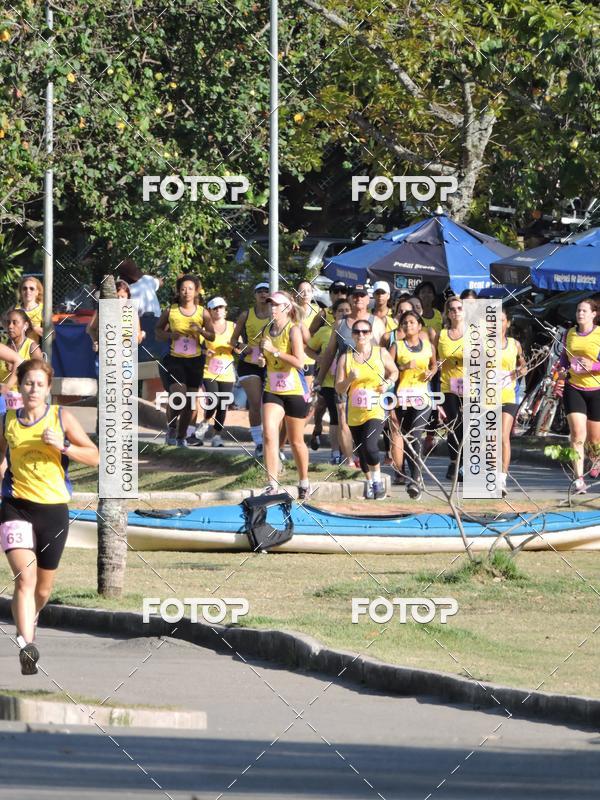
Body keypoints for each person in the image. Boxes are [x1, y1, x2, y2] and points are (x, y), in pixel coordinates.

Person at [0, 359, 99, 675]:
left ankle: (29, 619)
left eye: (39, 384)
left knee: (41, 590)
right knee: (24, 578)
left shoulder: (60, 417)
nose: (33, 389)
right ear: (20, 385)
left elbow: (96, 456)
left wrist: (65, 446)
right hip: (15, 507)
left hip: (54, 511)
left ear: (47, 389)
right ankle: (27, 646)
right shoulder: (7, 421)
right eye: (28, 382)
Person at [317, 285, 386, 465]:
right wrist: (319, 378)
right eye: (355, 295)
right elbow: (330, 352)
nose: (358, 299)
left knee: (366, 420)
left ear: (367, 298)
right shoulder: (340, 323)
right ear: (350, 298)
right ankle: (348, 460)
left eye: (362, 295)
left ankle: (367, 454)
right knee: (342, 417)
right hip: (344, 379)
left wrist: (389, 380)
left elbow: (384, 353)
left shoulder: (376, 322)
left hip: (370, 383)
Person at [336, 319, 398, 499]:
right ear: (353, 335)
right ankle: (370, 482)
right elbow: (339, 388)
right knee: (362, 452)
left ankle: (377, 482)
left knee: (371, 446)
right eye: (357, 332)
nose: (361, 335)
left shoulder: (381, 352)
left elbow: (394, 371)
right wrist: (349, 380)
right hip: (355, 411)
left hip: (375, 409)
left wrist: (388, 383)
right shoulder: (345, 358)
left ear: (370, 334)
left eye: (365, 331)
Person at [258, 291, 310, 499]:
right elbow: (262, 356)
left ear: (286, 308)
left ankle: (304, 481)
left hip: (295, 390)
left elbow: (300, 362)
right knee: (269, 435)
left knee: (296, 441)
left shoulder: (293, 330)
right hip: (273, 390)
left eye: (276, 305)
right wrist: (262, 358)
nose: (272, 308)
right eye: (270, 304)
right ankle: (273, 484)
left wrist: (276, 352)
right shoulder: (266, 329)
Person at [155, 275, 214, 446]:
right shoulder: (170, 311)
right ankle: (172, 427)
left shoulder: (203, 312)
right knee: (178, 396)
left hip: (195, 360)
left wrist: (201, 331)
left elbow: (212, 335)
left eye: (190, 288)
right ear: (178, 291)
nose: (186, 292)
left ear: (196, 291)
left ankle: (181, 437)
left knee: (190, 402)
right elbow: (157, 331)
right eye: (183, 289)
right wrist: (170, 335)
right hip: (175, 359)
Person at [390, 311, 438, 500]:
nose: (408, 325)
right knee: (408, 438)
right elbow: (388, 369)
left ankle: (416, 479)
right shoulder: (397, 346)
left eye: (412, 322)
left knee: (417, 435)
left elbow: (435, 365)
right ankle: (414, 476)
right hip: (402, 398)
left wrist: (431, 372)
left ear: (419, 326)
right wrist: (403, 367)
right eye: (405, 322)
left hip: (422, 397)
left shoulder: (429, 346)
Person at [557, 298, 600, 494]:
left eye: (584, 311)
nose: (580, 314)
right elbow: (564, 359)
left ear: (593, 314)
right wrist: (562, 370)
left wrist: (593, 366)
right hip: (574, 387)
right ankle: (578, 479)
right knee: (577, 435)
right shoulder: (569, 334)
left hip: (596, 389)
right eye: (578, 311)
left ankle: (595, 460)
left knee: (594, 439)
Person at [306, 297, 352, 465]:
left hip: (351, 382)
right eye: (341, 310)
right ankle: (335, 453)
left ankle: (349, 451)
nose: (345, 313)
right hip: (329, 381)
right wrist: (319, 358)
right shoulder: (325, 331)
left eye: (348, 310)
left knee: (348, 418)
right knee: (335, 417)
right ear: (333, 313)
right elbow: (308, 348)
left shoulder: (356, 330)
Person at [230, 283, 271, 457]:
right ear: (254, 295)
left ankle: (272, 440)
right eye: (259, 291)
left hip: (271, 363)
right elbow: (232, 341)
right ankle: (259, 442)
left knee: (269, 404)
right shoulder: (246, 315)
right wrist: (241, 345)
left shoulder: (275, 315)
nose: (263, 294)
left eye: (266, 291)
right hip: (249, 362)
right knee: (255, 402)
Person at [195, 297, 236, 447]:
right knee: (213, 401)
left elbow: (239, 347)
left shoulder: (233, 326)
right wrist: (205, 351)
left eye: (221, 307)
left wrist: (238, 347)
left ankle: (217, 436)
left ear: (226, 310)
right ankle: (205, 423)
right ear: (210, 312)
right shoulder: (205, 328)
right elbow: (197, 347)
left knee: (222, 405)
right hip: (209, 371)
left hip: (227, 371)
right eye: (215, 308)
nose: (218, 310)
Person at [497, 308, 527, 497]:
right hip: (488, 395)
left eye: (501, 320)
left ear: (507, 323)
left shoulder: (514, 344)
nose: (498, 324)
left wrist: (520, 371)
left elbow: (522, 365)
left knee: (502, 435)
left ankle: (502, 478)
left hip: (508, 394)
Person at [438, 296, 465, 481]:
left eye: (459, 308)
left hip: (471, 385)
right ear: (448, 313)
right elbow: (436, 361)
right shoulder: (441, 335)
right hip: (448, 385)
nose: (456, 312)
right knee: (454, 424)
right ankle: (455, 462)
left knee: (469, 425)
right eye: (452, 309)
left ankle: (466, 464)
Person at [14, 276, 44, 343]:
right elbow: (4, 321)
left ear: (37, 292)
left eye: (31, 289)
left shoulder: (43, 310)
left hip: (35, 350)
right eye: (24, 288)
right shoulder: (15, 308)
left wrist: (33, 327)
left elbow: (52, 335)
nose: (28, 291)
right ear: (21, 292)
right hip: (16, 350)